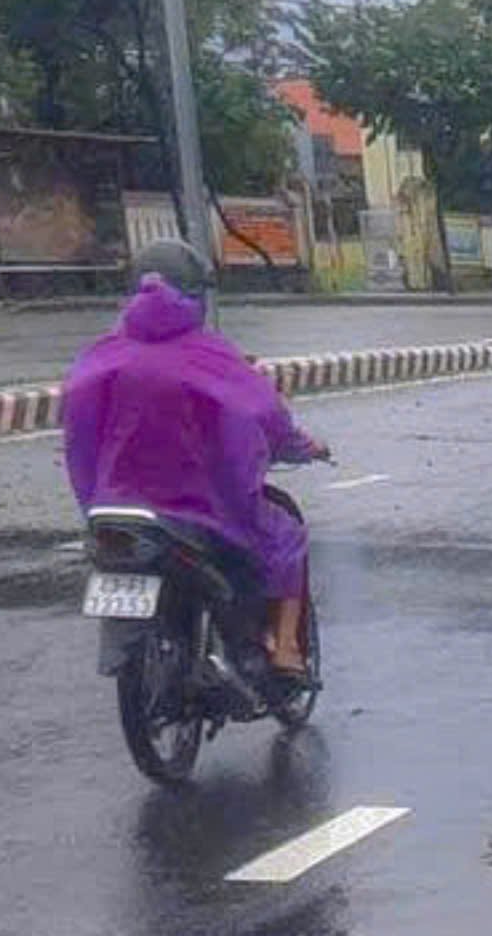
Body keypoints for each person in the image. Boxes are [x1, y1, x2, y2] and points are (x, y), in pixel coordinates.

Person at [62, 241, 328, 674]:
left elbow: (77, 437)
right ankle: (284, 650)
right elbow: (267, 415)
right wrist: (302, 448)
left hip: (117, 508)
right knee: (286, 539)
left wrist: (92, 501)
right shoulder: (210, 355)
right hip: (201, 509)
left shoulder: (102, 355)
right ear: (196, 296)